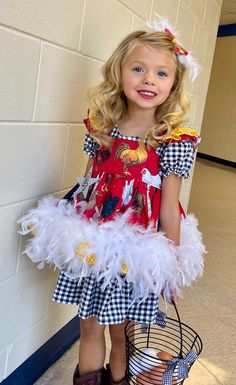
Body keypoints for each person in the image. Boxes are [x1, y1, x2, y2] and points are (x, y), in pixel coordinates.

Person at [19, 16, 205, 385]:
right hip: (93, 246)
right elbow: (88, 183)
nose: (149, 79)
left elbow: (170, 207)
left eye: (161, 74)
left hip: (133, 254)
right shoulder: (103, 126)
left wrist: (170, 266)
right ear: (120, 73)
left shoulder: (173, 139)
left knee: (119, 332)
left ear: (174, 84)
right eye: (138, 69)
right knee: (88, 327)